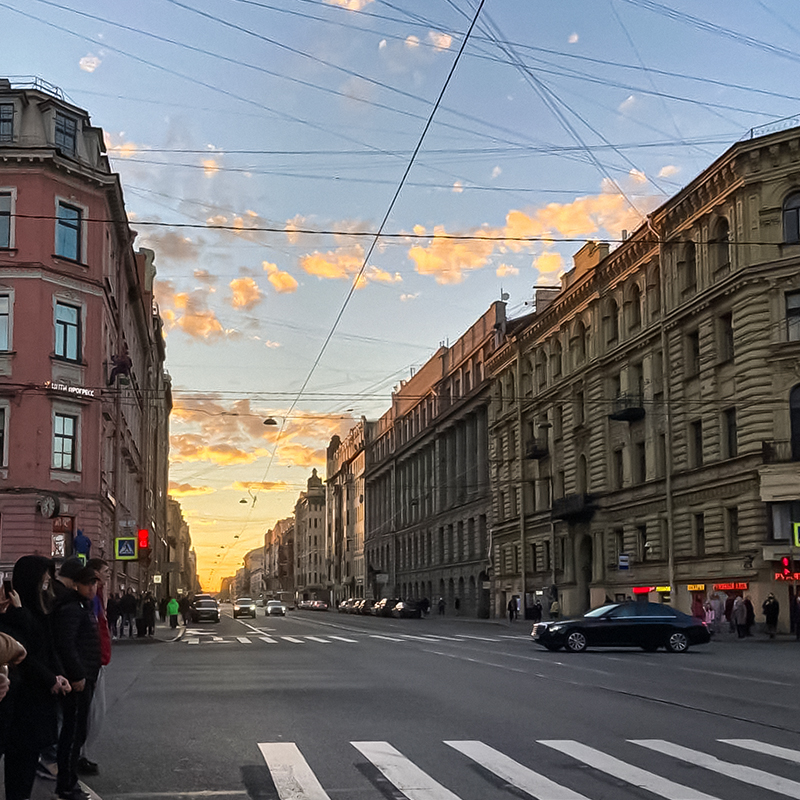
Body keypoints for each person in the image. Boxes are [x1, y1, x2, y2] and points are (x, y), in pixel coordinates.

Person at [3, 556, 72, 800]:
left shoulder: (41, 610)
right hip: (23, 702)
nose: (47, 583)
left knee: (29, 761)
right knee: (20, 764)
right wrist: (50, 678)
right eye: (43, 579)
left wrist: (58, 674)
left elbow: (47, 649)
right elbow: (24, 655)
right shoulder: (15, 615)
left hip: (39, 699)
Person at [53, 566, 101, 800]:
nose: (92, 588)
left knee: (76, 732)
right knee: (72, 735)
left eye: (94, 584)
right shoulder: (73, 609)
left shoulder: (82, 606)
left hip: (85, 677)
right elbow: (67, 645)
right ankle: (66, 785)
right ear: (76, 585)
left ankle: (69, 782)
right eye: (88, 584)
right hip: (78, 682)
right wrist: (78, 675)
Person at [79, 558, 112, 776]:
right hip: (91, 662)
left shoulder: (97, 597)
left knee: (94, 714)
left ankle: (82, 755)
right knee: (89, 714)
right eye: (104, 573)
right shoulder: (89, 599)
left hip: (97, 660)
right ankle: (79, 756)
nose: (107, 578)